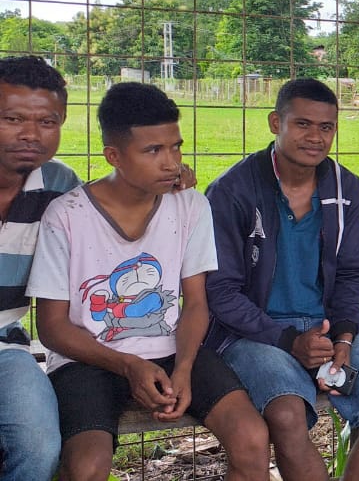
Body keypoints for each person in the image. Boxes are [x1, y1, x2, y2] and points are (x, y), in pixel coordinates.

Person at [28, 82, 269, 481]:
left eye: (176, 147)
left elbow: (195, 303)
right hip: (87, 358)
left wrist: (185, 368)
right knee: (86, 467)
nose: (171, 163)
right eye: (153, 151)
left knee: (252, 439)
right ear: (114, 156)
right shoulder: (67, 214)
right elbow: (52, 329)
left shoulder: (189, 204)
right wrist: (128, 365)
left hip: (174, 350)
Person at [204, 78, 359, 481]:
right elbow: (220, 291)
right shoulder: (232, 191)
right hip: (253, 333)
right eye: (302, 124)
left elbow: (356, 273)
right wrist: (288, 341)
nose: (315, 137)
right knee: (286, 414)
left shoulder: (345, 187)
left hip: (325, 329)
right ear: (275, 123)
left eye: (326, 127)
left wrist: (343, 337)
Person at [0, 56, 82, 480]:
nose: (30, 134)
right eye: (12, 118)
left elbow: (114, 221)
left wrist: (165, 182)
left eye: (47, 122)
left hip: (7, 346)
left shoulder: (58, 185)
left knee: (38, 442)